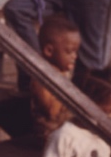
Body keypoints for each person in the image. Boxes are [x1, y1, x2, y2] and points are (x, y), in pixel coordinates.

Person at [29, 14, 80, 146]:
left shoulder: (61, 72)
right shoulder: (43, 77)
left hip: (61, 128)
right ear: (49, 51)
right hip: (46, 133)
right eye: (69, 52)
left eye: (76, 52)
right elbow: (52, 112)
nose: (74, 56)